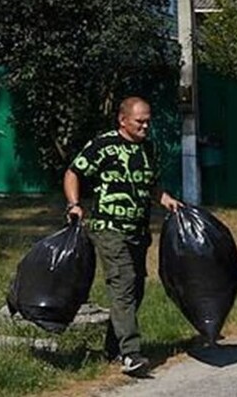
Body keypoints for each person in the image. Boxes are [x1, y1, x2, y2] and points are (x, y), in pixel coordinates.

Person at [64, 96, 182, 375]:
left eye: (148, 121)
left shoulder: (148, 148)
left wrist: (166, 200)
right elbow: (73, 172)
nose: (145, 126)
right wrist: (74, 204)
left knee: (135, 289)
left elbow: (150, 184)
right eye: (140, 121)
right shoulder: (103, 145)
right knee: (123, 282)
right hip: (108, 228)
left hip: (138, 231)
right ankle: (131, 354)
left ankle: (112, 348)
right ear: (123, 119)